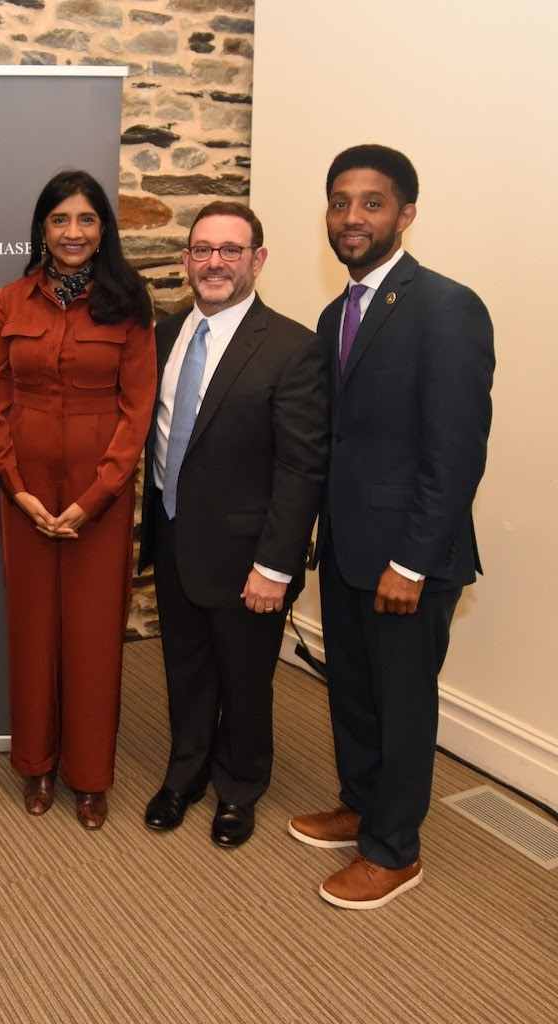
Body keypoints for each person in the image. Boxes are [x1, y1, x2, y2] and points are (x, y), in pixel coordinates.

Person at [290, 145, 493, 908]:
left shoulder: (446, 307)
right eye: (340, 202)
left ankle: (395, 847)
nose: (352, 217)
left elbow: (456, 450)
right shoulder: (334, 311)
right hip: (346, 548)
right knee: (353, 691)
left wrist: (413, 560)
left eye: (371, 203)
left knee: (404, 703)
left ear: (405, 214)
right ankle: (363, 803)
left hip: (407, 557)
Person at [138, 201, 328, 847]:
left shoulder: (292, 348)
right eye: (202, 249)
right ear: (187, 258)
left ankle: (239, 788)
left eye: (230, 250)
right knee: (185, 670)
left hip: (250, 556)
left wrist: (275, 566)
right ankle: (185, 774)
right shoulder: (163, 336)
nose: (213, 262)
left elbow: (302, 469)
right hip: (174, 540)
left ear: (258, 260)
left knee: (246, 683)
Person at [0, 169, 156, 830]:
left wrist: (96, 496)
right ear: (43, 229)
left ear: (102, 228)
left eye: (85, 219)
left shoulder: (130, 303)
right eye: (60, 220)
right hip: (24, 495)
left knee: (90, 635)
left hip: (98, 500)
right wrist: (17, 489)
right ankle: (37, 764)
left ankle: (88, 777)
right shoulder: (8, 303)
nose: (73, 232)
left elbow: (136, 415)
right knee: (33, 631)